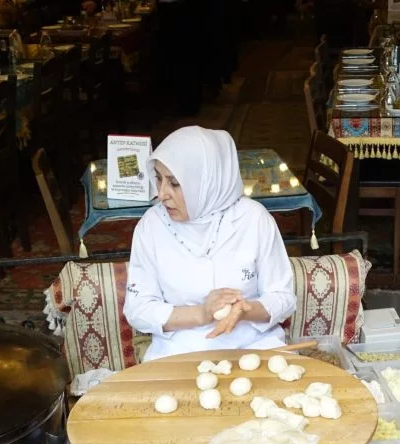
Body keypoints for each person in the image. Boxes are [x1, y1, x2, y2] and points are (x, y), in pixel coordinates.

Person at [124, 126, 295, 361]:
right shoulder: (151, 226)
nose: (162, 194)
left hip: (254, 347)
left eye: (174, 183)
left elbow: (283, 298)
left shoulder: (254, 219)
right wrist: (201, 314)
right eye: (158, 179)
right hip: (178, 353)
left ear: (207, 181)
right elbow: (138, 309)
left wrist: (245, 311)